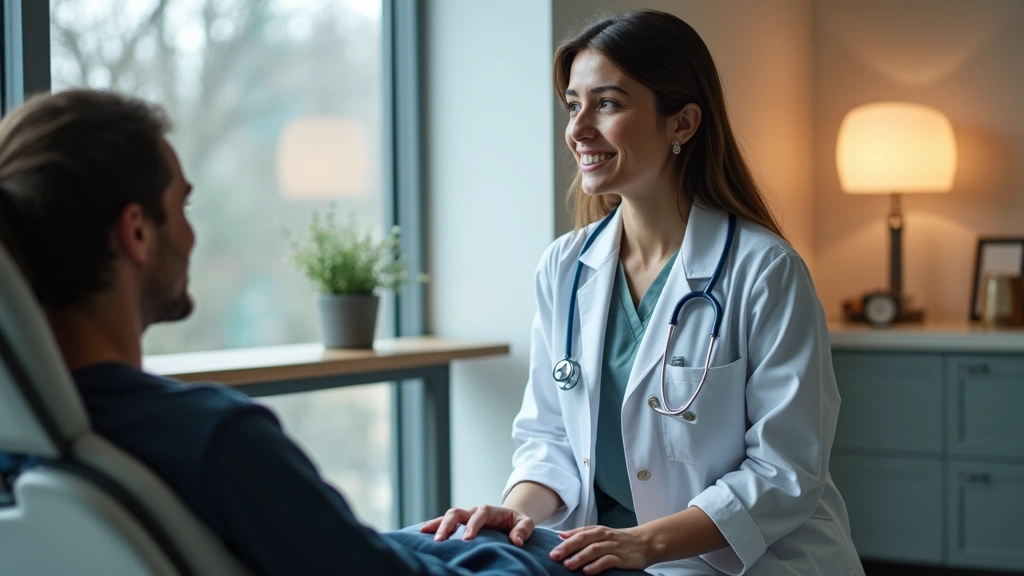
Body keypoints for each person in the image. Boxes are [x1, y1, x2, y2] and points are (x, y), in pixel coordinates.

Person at [0, 89, 649, 576]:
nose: (194, 235)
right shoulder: (210, 438)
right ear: (136, 232)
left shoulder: (31, 449)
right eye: (183, 206)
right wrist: (536, 550)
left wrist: (461, 539)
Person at [421, 10, 864, 576]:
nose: (578, 129)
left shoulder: (765, 271)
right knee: (429, 551)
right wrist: (516, 517)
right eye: (573, 105)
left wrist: (645, 544)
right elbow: (549, 437)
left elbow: (784, 471)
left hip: (745, 562)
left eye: (606, 104)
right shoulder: (566, 266)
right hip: (607, 554)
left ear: (682, 124)